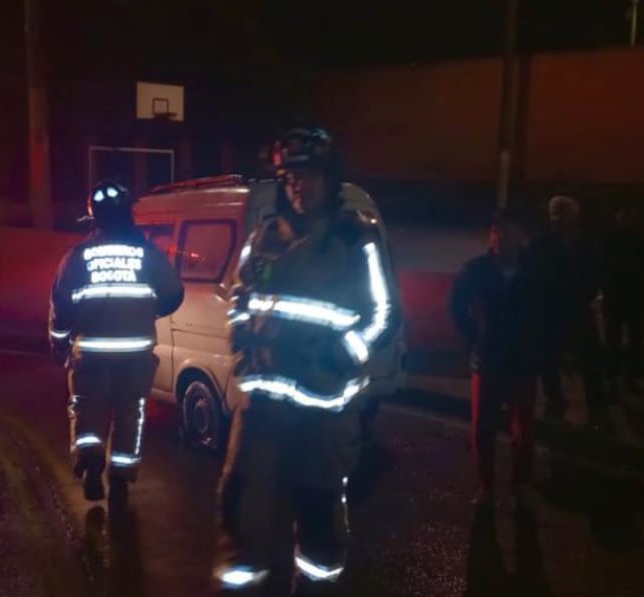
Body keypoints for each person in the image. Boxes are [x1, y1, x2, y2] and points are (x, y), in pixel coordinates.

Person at [215, 125, 398, 596]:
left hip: (324, 403)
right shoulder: (264, 236)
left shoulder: (355, 239)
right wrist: (242, 346)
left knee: (317, 505)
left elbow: (383, 315)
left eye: (309, 175)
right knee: (240, 495)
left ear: (330, 178)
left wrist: (340, 358)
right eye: (290, 177)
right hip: (262, 399)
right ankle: (239, 583)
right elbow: (240, 297)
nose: (298, 185)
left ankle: (315, 586)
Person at [48, 180, 184, 504]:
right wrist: (147, 310)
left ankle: (91, 464)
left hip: (90, 354)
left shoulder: (77, 256)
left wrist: (58, 343)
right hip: (136, 354)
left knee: (87, 407)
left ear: (95, 217)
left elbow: (61, 305)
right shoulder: (149, 254)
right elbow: (174, 294)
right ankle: (121, 479)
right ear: (128, 214)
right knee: (130, 413)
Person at [449, 208, 543, 508]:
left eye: (507, 230)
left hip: (523, 359)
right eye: (496, 231)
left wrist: (541, 349)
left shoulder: (534, 270)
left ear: (521, 234)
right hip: (487, 357)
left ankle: (521, 483)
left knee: (523, 428)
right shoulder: (475, 270)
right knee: (483, 427)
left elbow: (547, 311)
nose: (500, 236)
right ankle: (486, 486)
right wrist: (474, 339)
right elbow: (457, 308)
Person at [530, 195, 605, 423]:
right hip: (551, 309)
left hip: (578, 307)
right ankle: (554, 398)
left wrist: (588, 293)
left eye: (562, 214)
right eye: (554, 214)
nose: (557, 219)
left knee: (590, 356)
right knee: (548, 357)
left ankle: (595, 400)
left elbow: (596, 271)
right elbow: (536, 276)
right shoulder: (541, 243)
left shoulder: (586, 242)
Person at [601, 204, 644, 398]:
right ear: (617, 216)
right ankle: (613, 379)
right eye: (623, 215)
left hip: (634, 297)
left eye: (629, 215)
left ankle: (627, 379)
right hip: (617, 296)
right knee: (613, 342)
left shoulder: (641, 240)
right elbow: (602, 266)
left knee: (634, 343)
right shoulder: (608, 239)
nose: (626, 219)